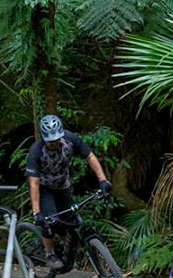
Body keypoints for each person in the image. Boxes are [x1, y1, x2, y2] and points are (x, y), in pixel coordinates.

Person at [26, 114, 112, 265]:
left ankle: (64, 248)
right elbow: (33, 183)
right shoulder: (36, 151)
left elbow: (90, 157)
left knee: (70, 220)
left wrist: (103, 180)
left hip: (63, 186)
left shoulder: (70, 139)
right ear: (43, 137)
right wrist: (36, 212)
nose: (54, 143)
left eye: (56, 139)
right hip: (45, 189)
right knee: (49, 222)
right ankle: (49, 254)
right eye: (50, 141)